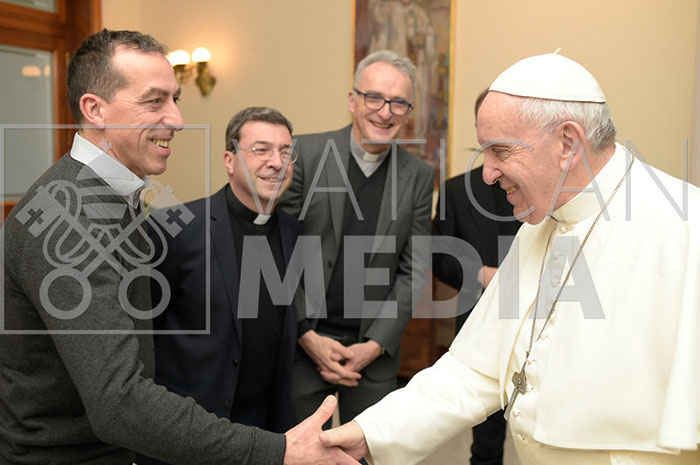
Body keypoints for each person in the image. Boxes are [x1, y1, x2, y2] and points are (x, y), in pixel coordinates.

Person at [321, 52, 700, 465]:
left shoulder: (685, 226)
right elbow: (473, 370)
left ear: (568, 143)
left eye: (500, 151)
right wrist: (366, 434)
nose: (487, 173)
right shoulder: (539, 225)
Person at [0, 28, 358, 465]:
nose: (176, 119)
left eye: (175, 99)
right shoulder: (72, 218)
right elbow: (120, 403)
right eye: (154, 101)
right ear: (95, 109)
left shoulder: (114, 199)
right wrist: (278, 451)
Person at [136, 106, 302, 465]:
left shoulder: (295, 234)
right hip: (190, 422)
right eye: (261, 150)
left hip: (265, 424)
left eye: (285, 152)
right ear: (230, 160)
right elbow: (143, 332)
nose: (276, 162)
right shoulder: (176, 227)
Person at [278, 50, 433, 430]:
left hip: (373, 355)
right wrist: (306, 335)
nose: (385, 112)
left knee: (366, 453)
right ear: (352, 100)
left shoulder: (418, 176)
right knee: (297, 450)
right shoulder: (305, 155)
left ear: (408, 112)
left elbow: (414, 270)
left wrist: (375, 345)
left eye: (398, 102)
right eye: (374, 97)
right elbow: (279, 251)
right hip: (301, 343)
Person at [432, 88, 520, 465]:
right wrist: (481, 274)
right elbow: (439, 256)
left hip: (539, 323)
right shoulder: (455, 191)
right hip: (479, 324)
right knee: (486, 438)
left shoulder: (545, 188)